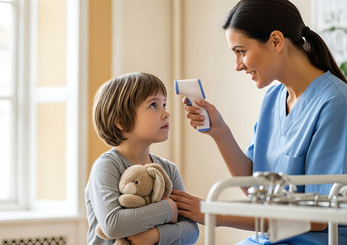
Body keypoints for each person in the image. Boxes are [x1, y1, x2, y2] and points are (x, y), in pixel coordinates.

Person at [170, 0, 347, 244]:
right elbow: (256, 188)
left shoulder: (335, 104)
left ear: (276, 41)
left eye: (241, 51)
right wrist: (219, 131)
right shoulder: (273, 99)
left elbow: (319, 216)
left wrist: (214, 213)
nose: (237, 65)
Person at [85, 72, 199, 245]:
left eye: (164, 104)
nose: (166, 113)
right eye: (153, 105)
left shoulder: (169, 170)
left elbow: (192, 231)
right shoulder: (107, 166)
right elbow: (112, 224)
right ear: (121, 121)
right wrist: (168, 208)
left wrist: (156, 235)